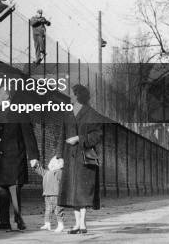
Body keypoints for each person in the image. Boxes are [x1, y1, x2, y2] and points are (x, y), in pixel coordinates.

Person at [0, 87, 39, 231]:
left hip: (15, 158)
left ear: (6, 96)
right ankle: (4, 222)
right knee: (1, 191)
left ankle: (19, 220)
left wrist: (33, 157)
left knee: (14, 191)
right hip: (0, 160)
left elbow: (28, 134)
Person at [55, 84, 102, 234]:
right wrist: (59, 156)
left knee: (82, 192)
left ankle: (83, 224)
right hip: (70, 158)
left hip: (84, 159)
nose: (70, 97)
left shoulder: (92, 114)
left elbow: (97, 135)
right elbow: (62, 135)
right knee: (72, 193)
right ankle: (76, 224)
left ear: (78, 96)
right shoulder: (67, 114)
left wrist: (79, 138)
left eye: (72, 94)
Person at [34, 156, 65, 232]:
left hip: (56, 195)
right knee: (48, 210)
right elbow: (40, 170)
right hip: (47, 195)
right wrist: (35, 165)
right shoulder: (47, 172)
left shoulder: (59, 172)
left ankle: (61, 225)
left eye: (53, 163)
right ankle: (47, 224)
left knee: (58, 210)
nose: (51, 164)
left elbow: (63, 179)